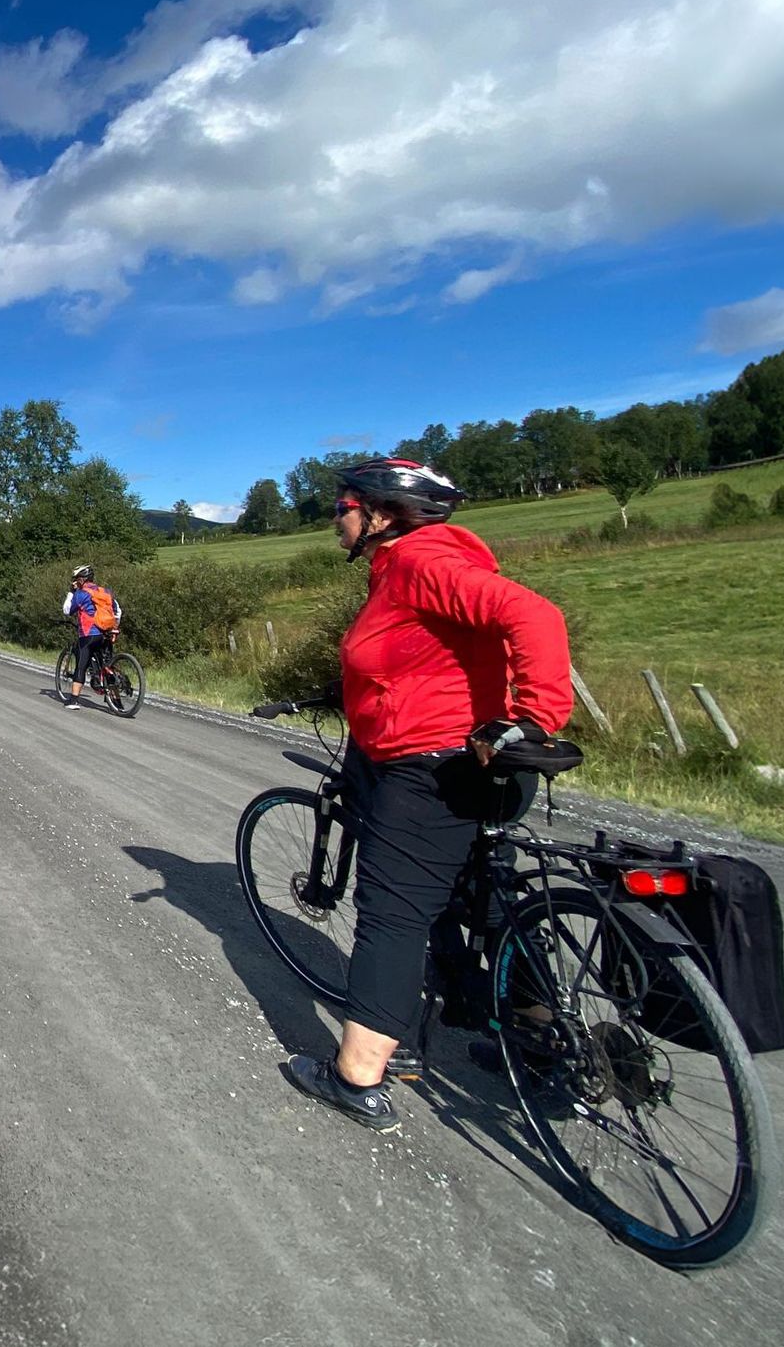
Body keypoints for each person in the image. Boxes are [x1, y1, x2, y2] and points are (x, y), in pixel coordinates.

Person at [282, 457, 575, 1131]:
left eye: (341, 508)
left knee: (392, 913)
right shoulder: (397, 569)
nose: (334, 520)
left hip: (432, 771)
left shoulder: (419, 561)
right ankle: (538, 1040)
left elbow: (533, 615)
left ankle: (357, 1077)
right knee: (485, 898)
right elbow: (420, 658)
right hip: (465, 767)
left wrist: (534, 716)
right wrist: (349, 691)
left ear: (379, 514)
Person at [60, 565, 121, 705]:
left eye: (76, 579)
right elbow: (118, 611)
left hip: (89, 634)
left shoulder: (81, 593)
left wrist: (71, 592)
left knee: (81, 666)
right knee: (107, 667)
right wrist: (115, 628)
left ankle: (73, 701)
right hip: (106, 633)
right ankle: (117, 702)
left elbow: (67, 610)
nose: (75, 582)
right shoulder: (105, 592)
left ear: (81, 580)